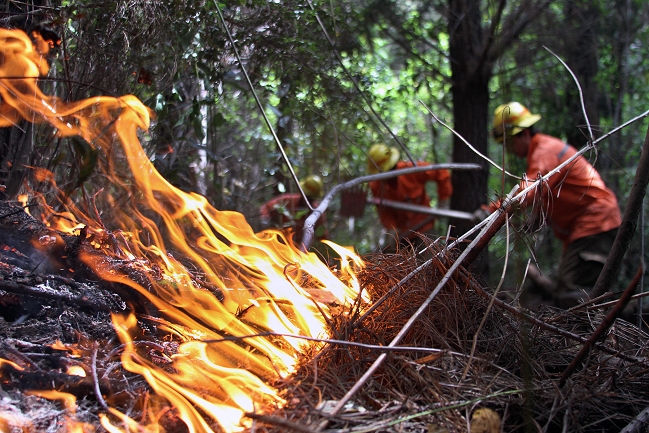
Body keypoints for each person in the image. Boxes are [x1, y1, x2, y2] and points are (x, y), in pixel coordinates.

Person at [485, 101, 622, 308]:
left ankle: (618, 326)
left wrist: (493, 212)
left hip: (595, 222)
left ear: (523, 134)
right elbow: (550, 193)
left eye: (507, 144)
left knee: (573, 293)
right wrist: (536, 219)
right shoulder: (543, 151)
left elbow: (528, 191)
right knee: (582, 292)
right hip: (588, 226)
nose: (508, 150)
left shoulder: (544, 152)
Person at [367, 143, 453, 251]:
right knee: (399, 265)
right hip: (403, 234)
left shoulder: (410, 170)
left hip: (424, 227)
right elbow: (383, 210)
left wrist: (443, 200)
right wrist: (391, 228)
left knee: (430, 264)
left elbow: (441, 172)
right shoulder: (376, 186)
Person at [259, 174, 329, 244]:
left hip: (300, 250)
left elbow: (322, 237)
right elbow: (266, 207)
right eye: (306, 196)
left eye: (310, 198)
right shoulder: (287, 200)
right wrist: (265, 219)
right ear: (302, 192)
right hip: (278, 244)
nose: (307, 200)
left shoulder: (317, 213)